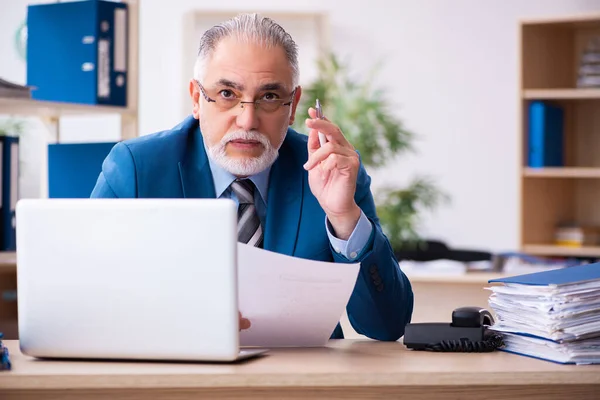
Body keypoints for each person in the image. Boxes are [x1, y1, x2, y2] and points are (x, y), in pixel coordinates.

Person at [91, 13, 413, 341]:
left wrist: (344, 217)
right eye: (227, 94)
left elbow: (385, 325)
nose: (247, 120)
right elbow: (88, 298)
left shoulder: (329, 172)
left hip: (301, 383)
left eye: (270, 97)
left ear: (293, 106)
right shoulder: (136, 169)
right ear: (196, 99)